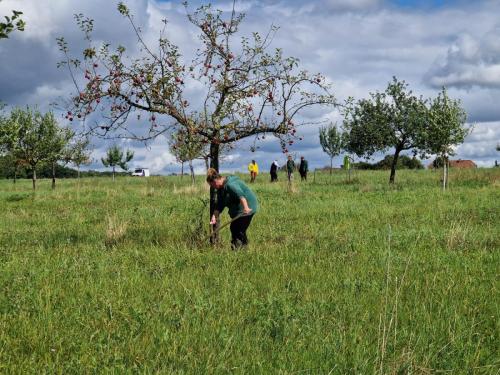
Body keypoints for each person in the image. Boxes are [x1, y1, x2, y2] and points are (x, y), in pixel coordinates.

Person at [207, 168, 258, 249]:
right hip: (240, 209)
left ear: (216, 181)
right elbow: (219, 205)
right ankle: (243, 247)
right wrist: (214, 216)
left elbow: (241, 195)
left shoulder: (230, 185)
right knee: (236, 228)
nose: (213, 187)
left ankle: (238, 249)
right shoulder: (221, 189)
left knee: (236, 229)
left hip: (248, 207)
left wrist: (246, 208)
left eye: (212, 185)